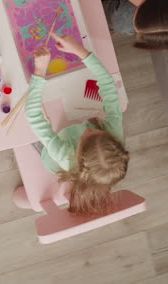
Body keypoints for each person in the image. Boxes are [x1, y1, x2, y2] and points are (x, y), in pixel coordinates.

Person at [25, 32, 129, 215]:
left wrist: (40, 72)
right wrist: (81, 52)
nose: (88, 128)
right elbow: (108, 85)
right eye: (97, 132)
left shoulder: (65, 155)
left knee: (28, 138)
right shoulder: (115, 136)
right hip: (75, 160)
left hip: (52, 156)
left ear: (78, 154)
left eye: (86, 136)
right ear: (114, 141)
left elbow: (32, 115)